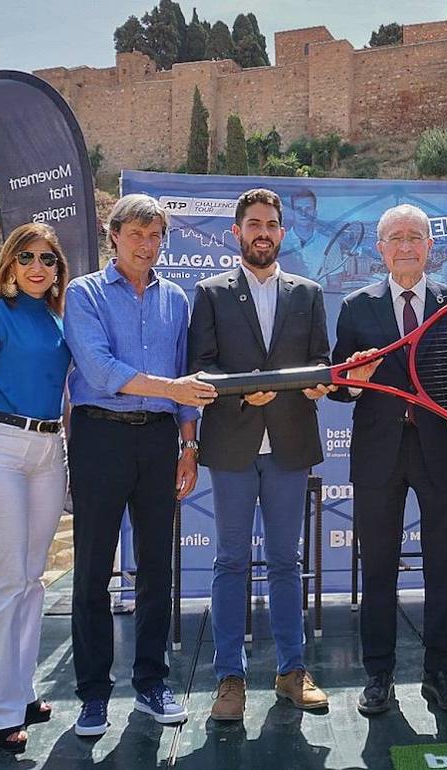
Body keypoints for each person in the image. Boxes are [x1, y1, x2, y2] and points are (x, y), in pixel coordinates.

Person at [64, 194, 218, 737]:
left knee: (157, 568)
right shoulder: (82, 293)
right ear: (114, 236)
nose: (147, 246)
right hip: (98, 437)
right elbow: (100, 369)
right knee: (92, 572)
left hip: (158, 443)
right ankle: (92, 695)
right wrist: (173, 388)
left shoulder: (175, 298)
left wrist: (190, 446)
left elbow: (186, 380)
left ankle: (152, 683)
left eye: (156, 236)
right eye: (137, 235)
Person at [330, 203, 447, 717]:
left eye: (414, 236)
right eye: (394, 237)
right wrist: (358, 381)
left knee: (444, 567)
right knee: (377, 569)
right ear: (380, 249)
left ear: (429, 247)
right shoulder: (356, 306)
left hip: (440, 452)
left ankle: (441, 674)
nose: (404, 245)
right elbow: (338, 387)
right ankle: (378, 676)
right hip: (378, 456)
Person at [188, 188, 334, 721]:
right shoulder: (210, 292)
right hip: (232, 445)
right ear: (237, 232)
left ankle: (292, 671)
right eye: (254, 223)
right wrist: (240, 389)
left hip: (289, 447)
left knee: (285, 562)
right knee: (229, 562)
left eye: (272, 224)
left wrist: (320, 384)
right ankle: (230, 677)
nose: (263, 232)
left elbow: (320, 360)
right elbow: (201, 367)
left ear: (282, 233)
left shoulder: (308, 292)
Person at [0, 222, 71, 754]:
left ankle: (20, 692)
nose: (37, 266)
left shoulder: (56, 320)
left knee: (31, 578)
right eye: (26, 256)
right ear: (9, 263)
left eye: (47, 259)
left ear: (56, 271)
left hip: (49, 450)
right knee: (5, 579)